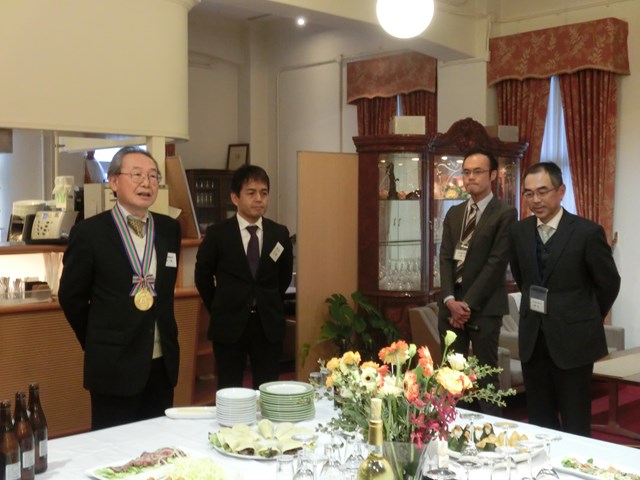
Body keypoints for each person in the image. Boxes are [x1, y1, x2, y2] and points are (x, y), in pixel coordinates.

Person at [58, 146, 181, 430]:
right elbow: (71, 297)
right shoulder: (89, 233)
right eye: (136, 175)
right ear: (113, 182)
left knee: (159, 443)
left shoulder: (168, 229)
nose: (146, 183)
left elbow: (165, 293)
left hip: (161, 362)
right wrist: (98, 339)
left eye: (153, 176)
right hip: (113, 364)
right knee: (114, 448)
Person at [509, 162, 620, 436]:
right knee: (539, 422)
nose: (536, 200)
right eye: (529, 193)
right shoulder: (519, 232)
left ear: (561, 191)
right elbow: (523, 279)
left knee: (575, 423)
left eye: (542, 191)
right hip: (533, 340)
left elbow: (608, 283)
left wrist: (584, 316)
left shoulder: (586, 233)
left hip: (574, 342)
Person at [195, 164, 293, 391]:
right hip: (229, 322)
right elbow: (202, 276)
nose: (259, 199)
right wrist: (218, 305)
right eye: (251, 193)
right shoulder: (218, 234)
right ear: (235, 198)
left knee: (268, 388)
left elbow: (284, 276)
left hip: (267, 323)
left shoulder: (279, 233)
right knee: (230, 389)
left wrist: (267, 300)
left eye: (264, 193)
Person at [438, 147, 517, 415]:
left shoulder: (505, 213)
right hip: (450, 308)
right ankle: (449, 429)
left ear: (493, 175)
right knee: (450, 379)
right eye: (466, 172)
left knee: (485, 378)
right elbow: (445, 258)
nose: (470, 177)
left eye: (478, 172)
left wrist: (466, 305)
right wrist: (450, 300)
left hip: (484, 309)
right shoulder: (454, 213)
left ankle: (491, 432)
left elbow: (496, 264)